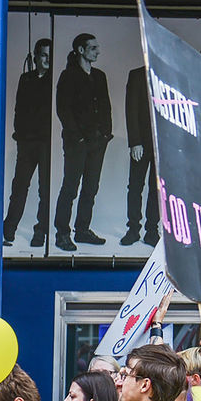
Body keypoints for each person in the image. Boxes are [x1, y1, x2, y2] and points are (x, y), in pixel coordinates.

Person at [53, 33, 112, 252]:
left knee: (90, 188)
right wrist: (77, 136)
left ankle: (83, 230)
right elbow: (63, 109)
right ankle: (62, 233)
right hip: (76, 142)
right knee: (70, 188)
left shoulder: (100, 76)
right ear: (80, 50)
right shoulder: (68, 76)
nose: (98, 51)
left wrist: (107, 134)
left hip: (98, 142)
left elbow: (106, 106)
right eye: (93, 47)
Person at [3, 40, 53, 247]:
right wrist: (19, 134)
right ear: (35, 57)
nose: (47, 59)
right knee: (20, 185)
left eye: (50, 55)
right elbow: (18, 108)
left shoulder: (54, 79)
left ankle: (40, 231)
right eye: (43, 55)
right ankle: (9, 229)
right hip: (27, 141)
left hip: (46, 142)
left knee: (45, 188)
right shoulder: (26, 79)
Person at [121, 64, 159, 248]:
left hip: (163, 144)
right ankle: (133, 230)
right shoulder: (136, 74)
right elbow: (131, 109)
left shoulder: (171, 73)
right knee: (135, 186)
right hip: (141, 142)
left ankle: (152, 231)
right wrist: (135, 142)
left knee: (157, 189)